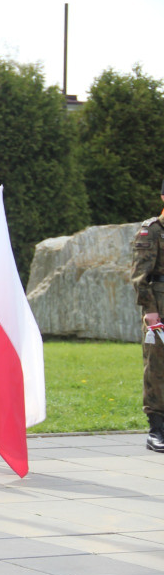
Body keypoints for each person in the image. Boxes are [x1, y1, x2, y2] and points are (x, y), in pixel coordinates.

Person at [131, 179, 164, 453]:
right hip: (160, 303)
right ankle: (157, 429)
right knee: (157, 366)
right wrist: (149, 309)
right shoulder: (152, 231)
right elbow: (140, 275)